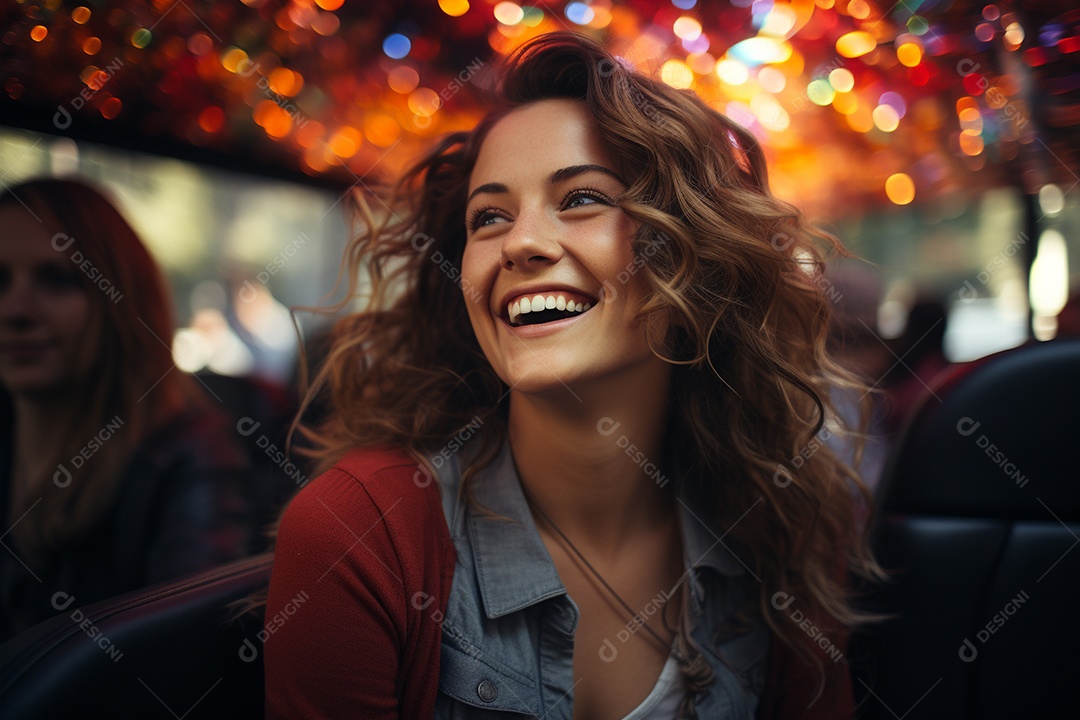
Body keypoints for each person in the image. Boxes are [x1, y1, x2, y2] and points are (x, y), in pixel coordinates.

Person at [264, 33, 880, 719]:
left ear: (696, 261)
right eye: (489, 216)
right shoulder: (358, 532)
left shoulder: (784, 528)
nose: (522, 242)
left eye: (582, 199)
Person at [0, 178, 257, 641]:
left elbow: (182, 658)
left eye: (57, 280)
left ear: (121, 300)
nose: (15, 309)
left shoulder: (188, 457)